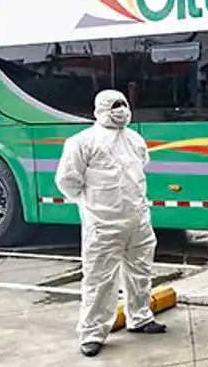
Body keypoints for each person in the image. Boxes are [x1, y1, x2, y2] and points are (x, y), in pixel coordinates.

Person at [54, 89, 166, 358]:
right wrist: (90, 206)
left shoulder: (135, 139)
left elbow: (141, 171)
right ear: (101, 108)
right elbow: (67, 181)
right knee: (99, 280)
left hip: (138, 219)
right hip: (103, 224)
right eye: (115, 105)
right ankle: (92, 333)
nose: (121, 109)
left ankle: (139, 317)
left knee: (140, 271)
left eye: (124, 104)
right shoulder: (82, 142)